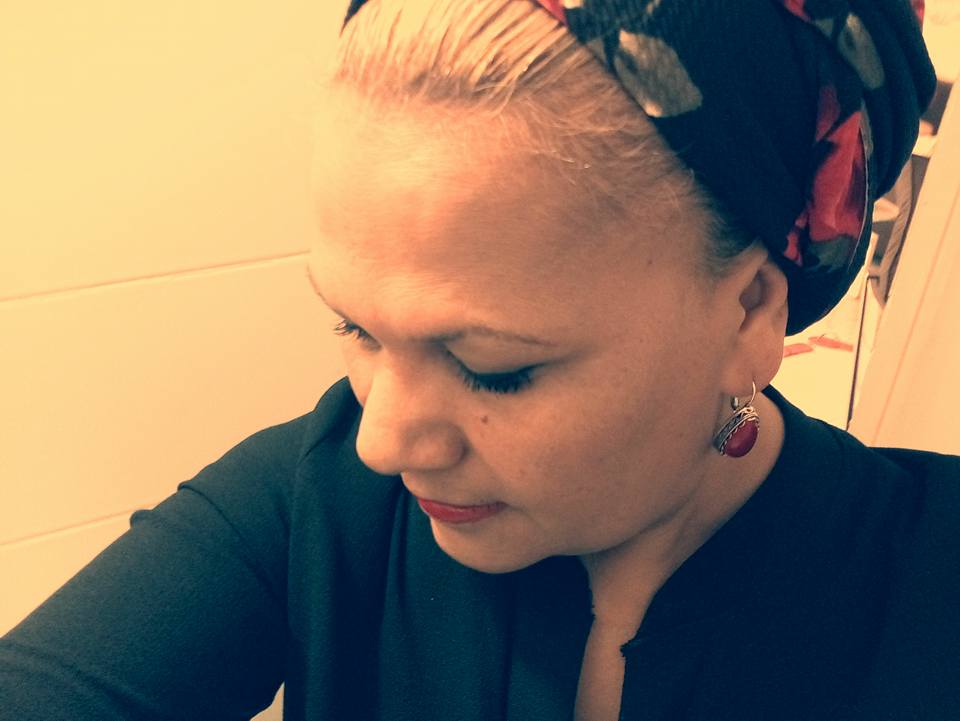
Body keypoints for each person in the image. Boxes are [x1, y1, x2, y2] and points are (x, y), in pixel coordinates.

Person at [1, 1, 957, 719]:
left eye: (491, 366)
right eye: (355, 329)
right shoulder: (311, 501)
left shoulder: (928, 586)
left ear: (751, 311)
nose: (380, 442)